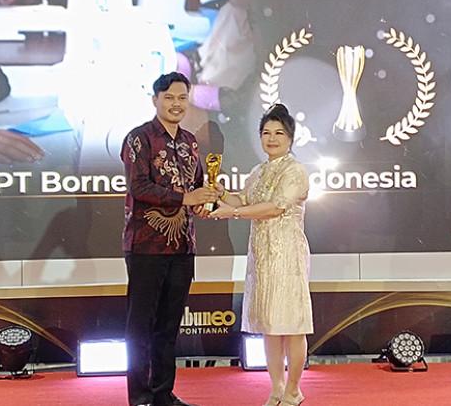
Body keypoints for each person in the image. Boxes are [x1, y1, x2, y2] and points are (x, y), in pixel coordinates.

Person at [120, 72, 218, 406]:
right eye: (169, 98)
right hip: (146, 247)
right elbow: (139, 187)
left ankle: (163, 394)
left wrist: (207, 198)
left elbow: (197, 186)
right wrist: (186, 198)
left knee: (168, 327)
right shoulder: (139, 139)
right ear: (155, 100)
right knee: (140, 327)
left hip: (183, 247)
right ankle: (140, 397)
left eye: (182, 98)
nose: (176, 104)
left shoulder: (190, 141)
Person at [210, 104, 313, 406]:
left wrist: (233, 213)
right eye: (266, 133)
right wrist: (219, 193)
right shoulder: (258, 172)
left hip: (288, 256)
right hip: (262, 257)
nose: (272, 138)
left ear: (290, 137)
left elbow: (276, 207)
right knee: (270, 326)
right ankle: (277, 389)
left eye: (279, 133)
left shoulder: (295, 171)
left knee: (292, 326)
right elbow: (243, 200)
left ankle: (294, 389)